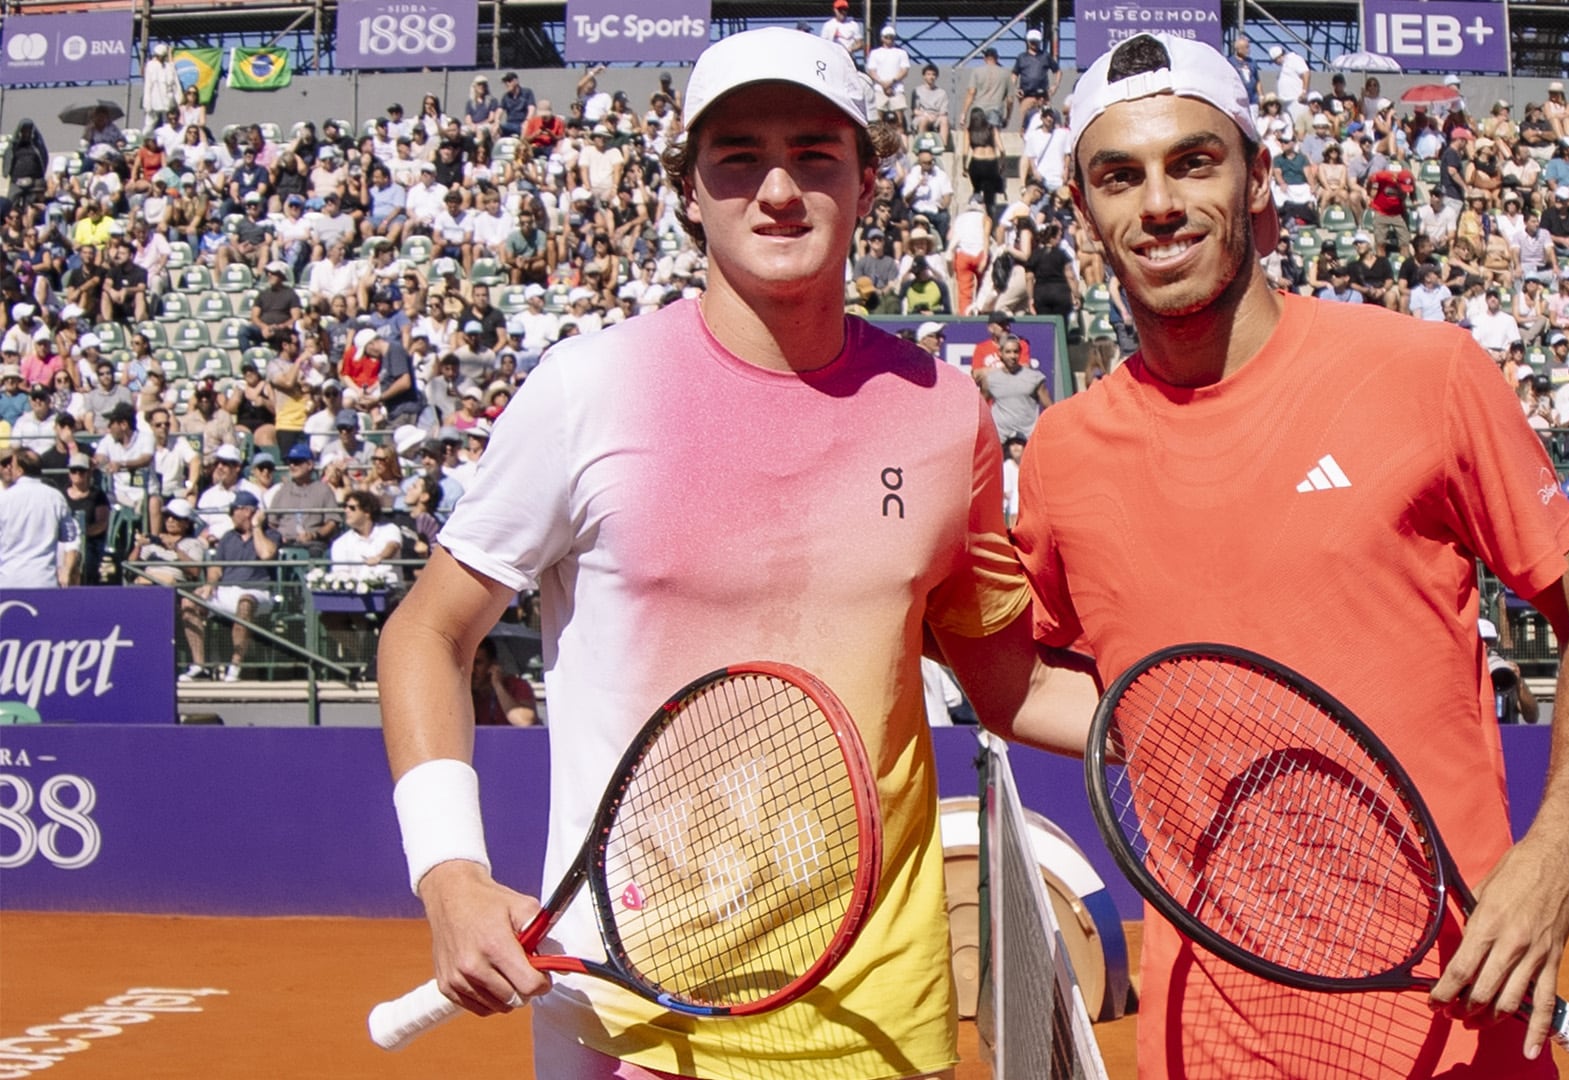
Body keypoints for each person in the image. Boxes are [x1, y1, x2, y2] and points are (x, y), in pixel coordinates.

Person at [375, 28, 1095, 1080]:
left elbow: (1004, 684)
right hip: (626, 1015)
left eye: (814, 154)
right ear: (688, 189)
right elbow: (428, 633)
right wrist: (448, 872)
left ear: (866, 181)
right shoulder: (589, 390)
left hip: (878, 1015)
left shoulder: (946, 414)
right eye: (738, 157)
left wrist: (1174, 729)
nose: (778, 190)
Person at [1015, 32, 1569, 1077]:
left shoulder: (1426, 373)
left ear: (1259, 178)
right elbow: (1026, 683)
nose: (1158, 203)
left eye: (1193, 161)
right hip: (1207, 1045)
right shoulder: (1064, 454)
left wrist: (1559, 849)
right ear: (1085, 213)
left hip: (1455, 1029)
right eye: (1119, 177)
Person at [179, 491, 280, 682]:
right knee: (188, 602)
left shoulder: (270, 535)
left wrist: (256, 526)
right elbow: (217, 568)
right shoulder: (228, 537)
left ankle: (235, 667)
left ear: (248, 511)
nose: (232, 515)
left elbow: (266, 554)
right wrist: (210, 584)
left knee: (245, 603)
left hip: (258, 593)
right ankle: (199, 666)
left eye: (235, 510)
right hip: (226, 591)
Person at [0, 448, 76, 588]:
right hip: (43, 580)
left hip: (9, 580)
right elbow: (69, 536)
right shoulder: (55, 497)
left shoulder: (4, 499)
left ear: (20, 470)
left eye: (13, 465)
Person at [471, 637, 539, 727]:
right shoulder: (465, 692)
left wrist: (498, 686)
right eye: (468, 663)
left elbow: (524, 721)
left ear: (492, 664)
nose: (471, 669)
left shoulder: (517, 686)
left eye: (478, 662)